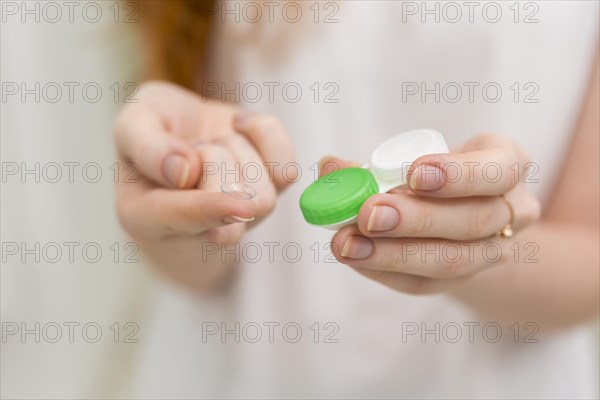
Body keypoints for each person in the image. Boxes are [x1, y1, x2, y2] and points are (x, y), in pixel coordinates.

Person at [113, 1, 599, 398]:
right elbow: (197, 260)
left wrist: (486, 247)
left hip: (495, 381)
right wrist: (180, 201)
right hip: (237, 370)